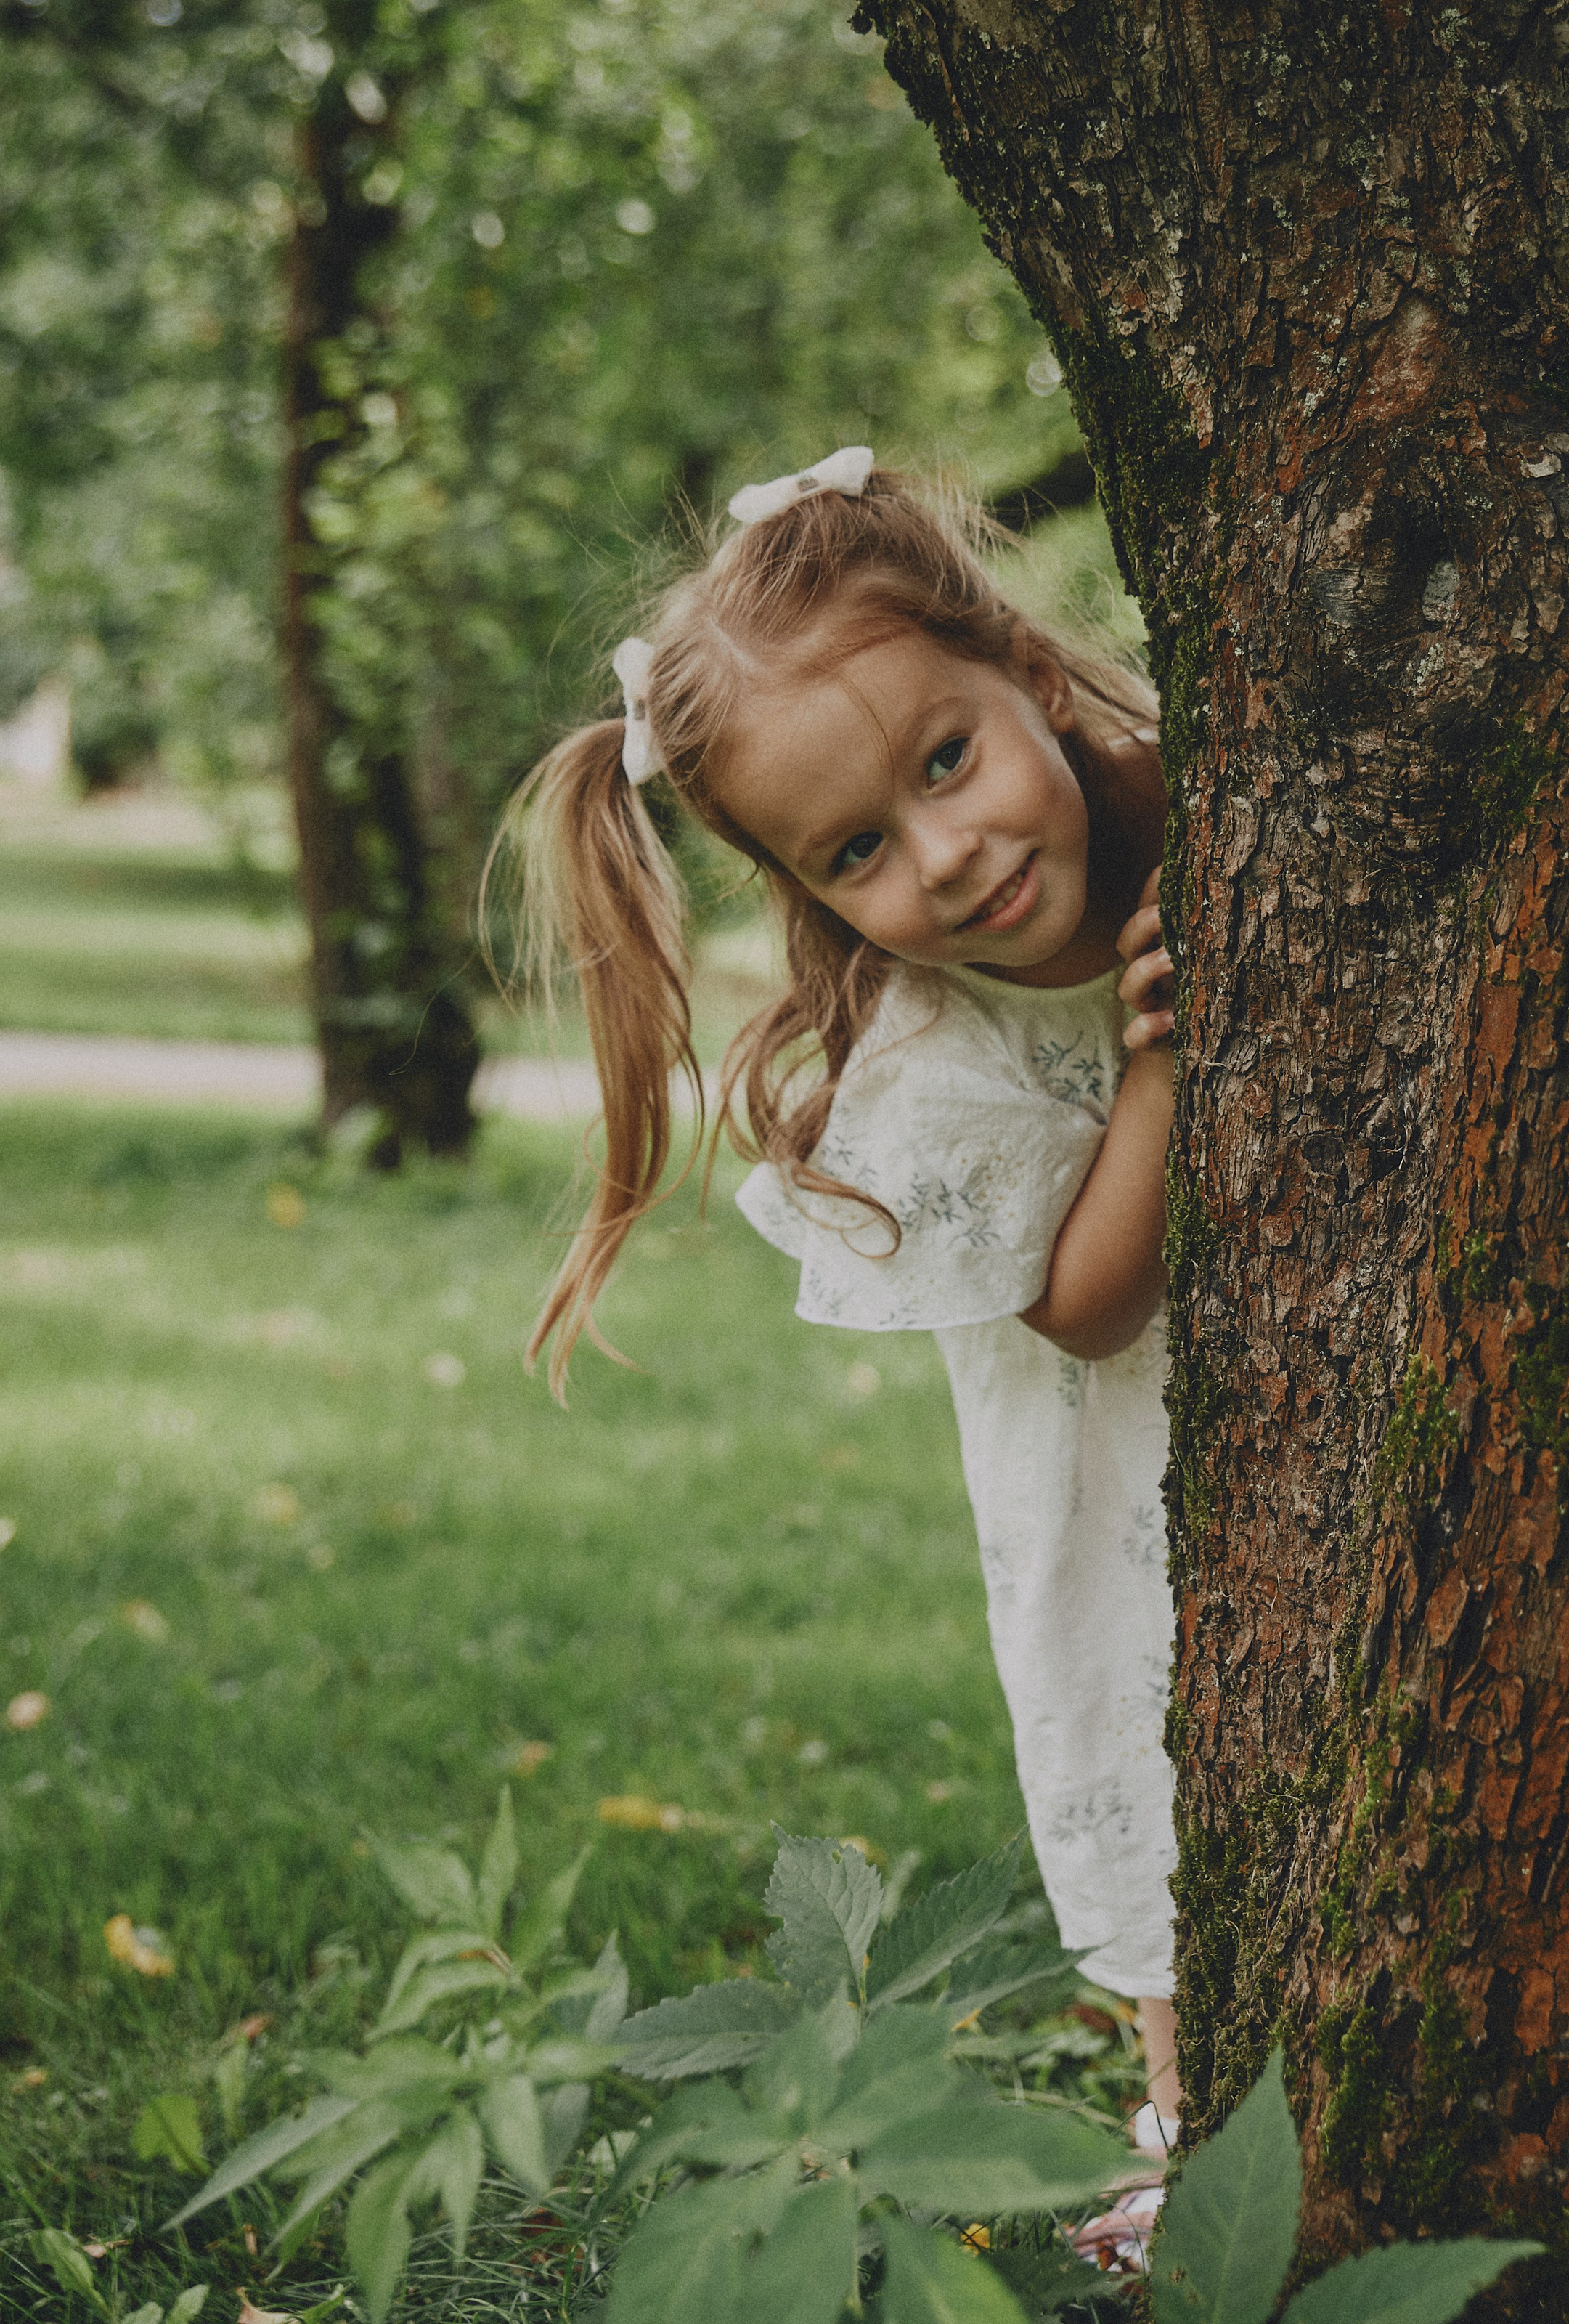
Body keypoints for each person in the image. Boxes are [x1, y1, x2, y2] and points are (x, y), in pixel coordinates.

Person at [500, 449, 1179, 2249]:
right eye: (859, 850)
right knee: (1152, 1731)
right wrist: (1177, 1062)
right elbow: (1082, 1299)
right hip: (1113, 1459)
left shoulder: (1183, 800)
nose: (945, 855)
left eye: (945, 759)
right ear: (802, 885)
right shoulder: (934, 1050)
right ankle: (1185, 2111)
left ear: (1029, 677)